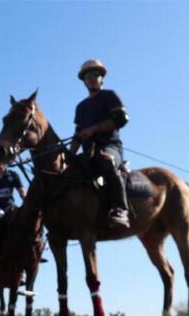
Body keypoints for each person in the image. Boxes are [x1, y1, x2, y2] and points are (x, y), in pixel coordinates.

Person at [68, 59, 130, 228]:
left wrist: (94, 128)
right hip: (88, 153)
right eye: (88, 75)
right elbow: (77, 135)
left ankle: (120, 210)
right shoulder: (81, 107)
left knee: (105, 159)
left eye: (96, 74)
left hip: (110, 148)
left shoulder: (110, 96)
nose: (92, 78)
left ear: (102, 77)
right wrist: (68, 156)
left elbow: (121, 119)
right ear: (84, 81)